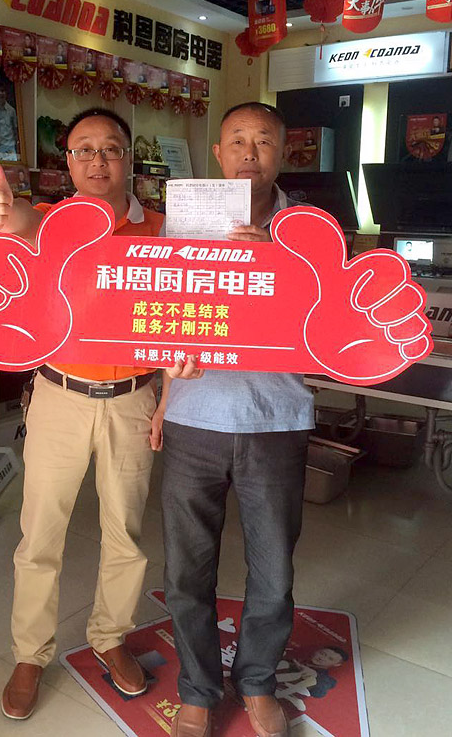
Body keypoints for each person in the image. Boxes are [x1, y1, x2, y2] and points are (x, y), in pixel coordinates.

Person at [0, 107, 165, 721]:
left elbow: (184, 316)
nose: (98, 160)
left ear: (130, 158)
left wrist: (166, 401)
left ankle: (110, 637)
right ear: (69, 162)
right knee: (40, 535)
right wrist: (0, 215)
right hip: (58, 395)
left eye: (110, 148)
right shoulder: (51, 221)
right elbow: (18, 223)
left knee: (126, 535)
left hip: (134, 399)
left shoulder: (163, 230)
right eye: (85, 149)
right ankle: (30, 654)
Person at [151, 102, 315, 737]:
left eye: (264, 141)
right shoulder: (184, 223)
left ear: (283, 153)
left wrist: (280, 258)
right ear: (218, 154)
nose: (250, 152)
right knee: (186, 569)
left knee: (274, 569)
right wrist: (165, 397)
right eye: (238, 141)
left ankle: (257, 682)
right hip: (194, 419)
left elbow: (327, 320)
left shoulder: (310, 229)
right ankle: (198, 688)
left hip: (276, 418)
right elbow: (163, 313)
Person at [0, 85, 19, 157]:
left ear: (6, 93)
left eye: (3, 91)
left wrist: (17, 145)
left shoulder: (12, 110)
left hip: (10, 144)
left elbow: (15, 129)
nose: (1, 93)